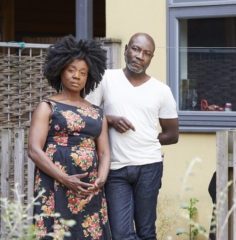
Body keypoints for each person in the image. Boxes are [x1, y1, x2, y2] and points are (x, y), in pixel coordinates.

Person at [86, 32, 179, 240]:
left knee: (146, 232)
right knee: (120, 234)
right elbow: (88, 116)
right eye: (136, 49)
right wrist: (109, 119)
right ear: (127, 48)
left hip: (149, 166)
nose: (139, 56)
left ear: (151, 58)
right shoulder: (105, 78)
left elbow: (172, 135)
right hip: (115, 168)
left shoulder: (161, 90)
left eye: (146, 53)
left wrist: (147, 139)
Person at [28, 35, 111, 239]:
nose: (77, 76)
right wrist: (65, 179)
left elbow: (104, 152)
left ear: (89, 76)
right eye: (71, 70)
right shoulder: (47, 106)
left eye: (83, 72)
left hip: (87, 189)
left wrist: (100, 180)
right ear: (60, 71)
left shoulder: (97, 113)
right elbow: (34, 150)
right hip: (54, 184)